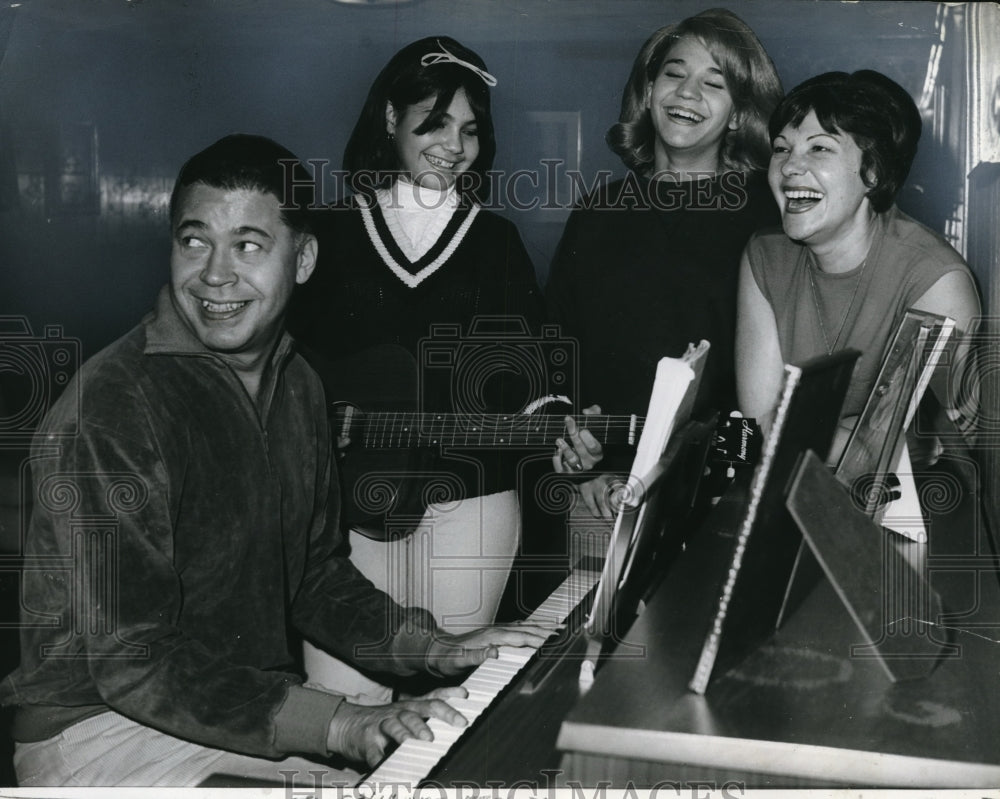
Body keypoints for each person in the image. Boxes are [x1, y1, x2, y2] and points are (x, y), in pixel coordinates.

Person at [0, 134, 553, 787]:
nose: (215, 273)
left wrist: (433, 646)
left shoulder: (298, 386)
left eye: (249, 245)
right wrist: (340, 721)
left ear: (305, 258)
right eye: (194, 240)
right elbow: (134, 659)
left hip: (220, 714)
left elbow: (313, 577)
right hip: (95, 734)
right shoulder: (117, 404)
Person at [287, 37, 546, 703]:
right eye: (434, 122)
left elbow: (531, 385)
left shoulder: (497, 243)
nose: (453, 145)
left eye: (469, 130)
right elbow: (284, 368)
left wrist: (560, 426)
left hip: (472, 506)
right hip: (351, 511)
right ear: (389, 120)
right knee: (346, 706)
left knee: (445, 703)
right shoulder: (329, 235)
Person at [545, 8, 784, 518]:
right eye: (674, 74)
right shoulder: (597, 212)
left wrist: (727, 486)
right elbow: (557, 347)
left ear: (740, 112)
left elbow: (783, 378)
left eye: (713, 83)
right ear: (648, 88)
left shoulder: (770, 215)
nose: (687, 93)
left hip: (724, 496)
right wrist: (585, 459)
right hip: (601, 495)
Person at [735, 70, 980, 461]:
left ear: (874, 172)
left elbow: (919, 450)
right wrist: (859, 434)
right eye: (781, 149)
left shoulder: (935, 279)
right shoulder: (765, 257)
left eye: (819, 149)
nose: (789, 168)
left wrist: (813, 431)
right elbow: (762, 423)